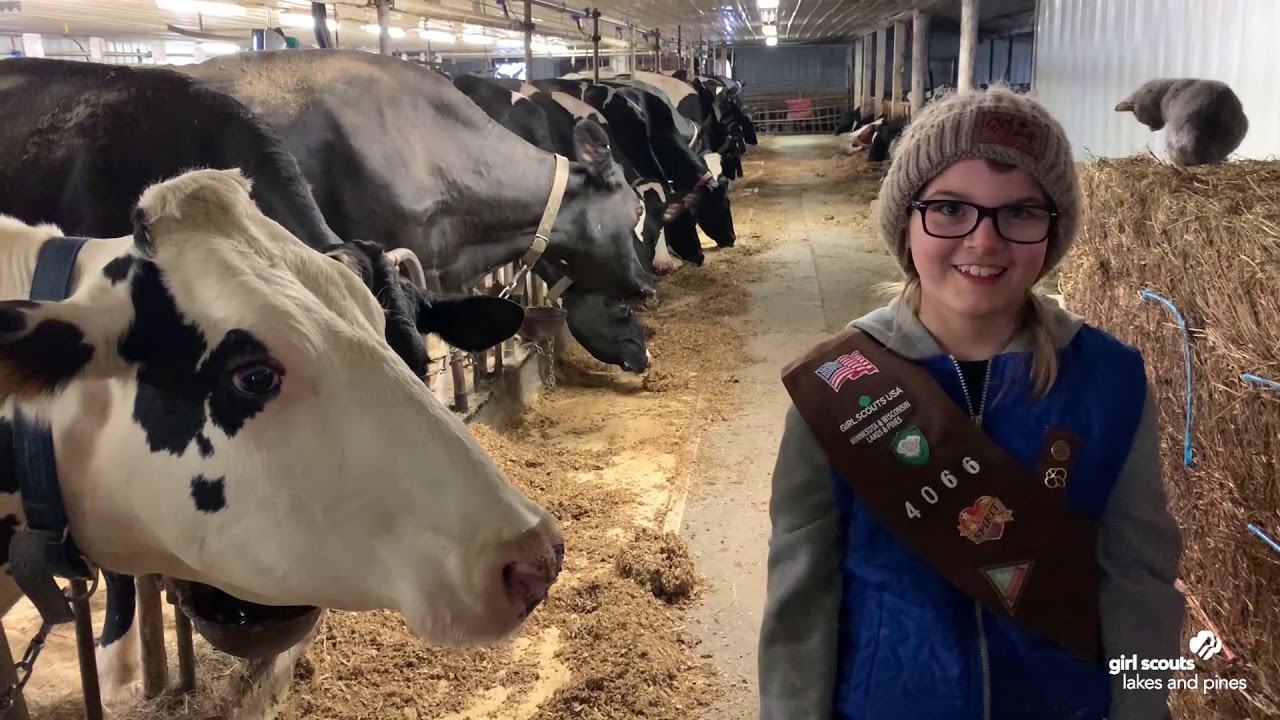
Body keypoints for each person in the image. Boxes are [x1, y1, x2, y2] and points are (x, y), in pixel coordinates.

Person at [757, 85, 1185, 720]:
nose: (984, 242)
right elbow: (801, 591)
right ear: (907, 218)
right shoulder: (838, 386)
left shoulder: (1110, 381)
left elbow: (1140, 579)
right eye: (950, 209)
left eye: (1019, 213)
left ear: (1052, 231)